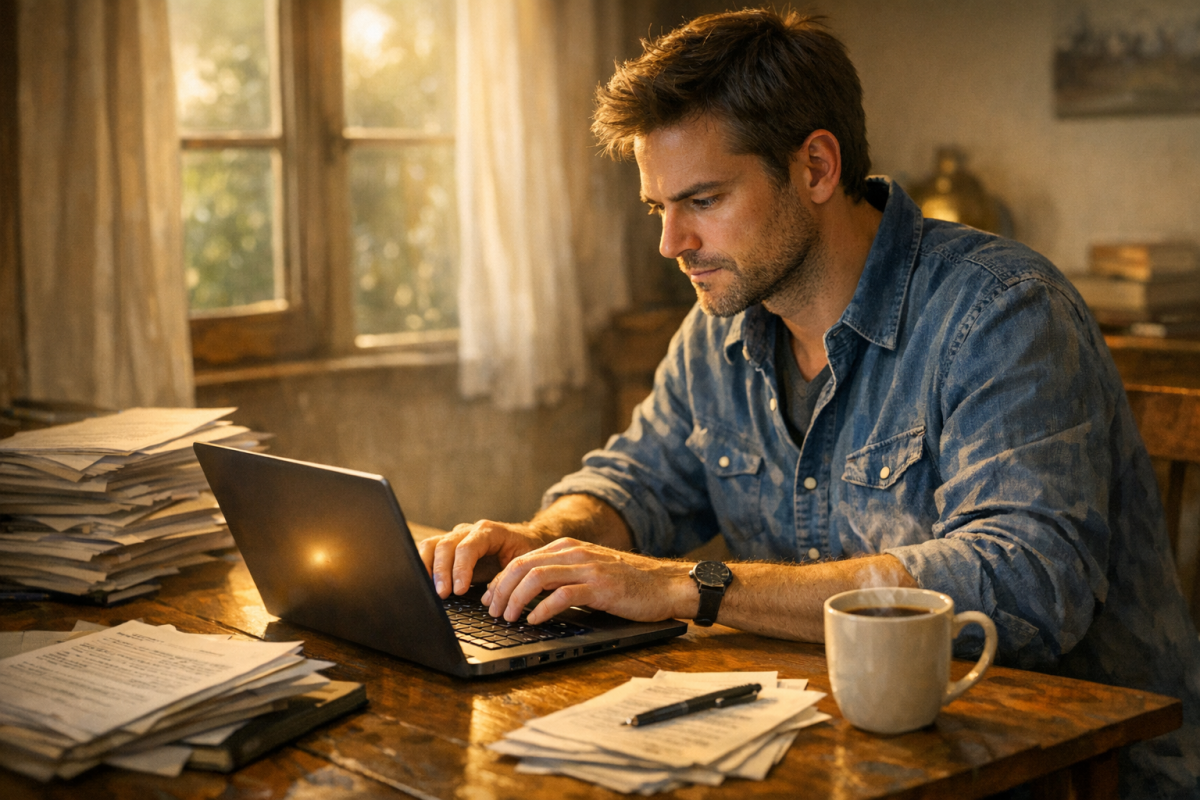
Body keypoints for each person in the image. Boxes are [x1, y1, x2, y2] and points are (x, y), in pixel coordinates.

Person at [419, 9, 1200, 797]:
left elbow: (1028, 582)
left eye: (703, 200)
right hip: (839, 755)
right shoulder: (719, 327)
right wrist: (544, 542)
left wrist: (692, 586)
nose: (671, 243)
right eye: (660, 208)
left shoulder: (1002, 311)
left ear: (817, 168)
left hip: (1067, 772)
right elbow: (638, 481)